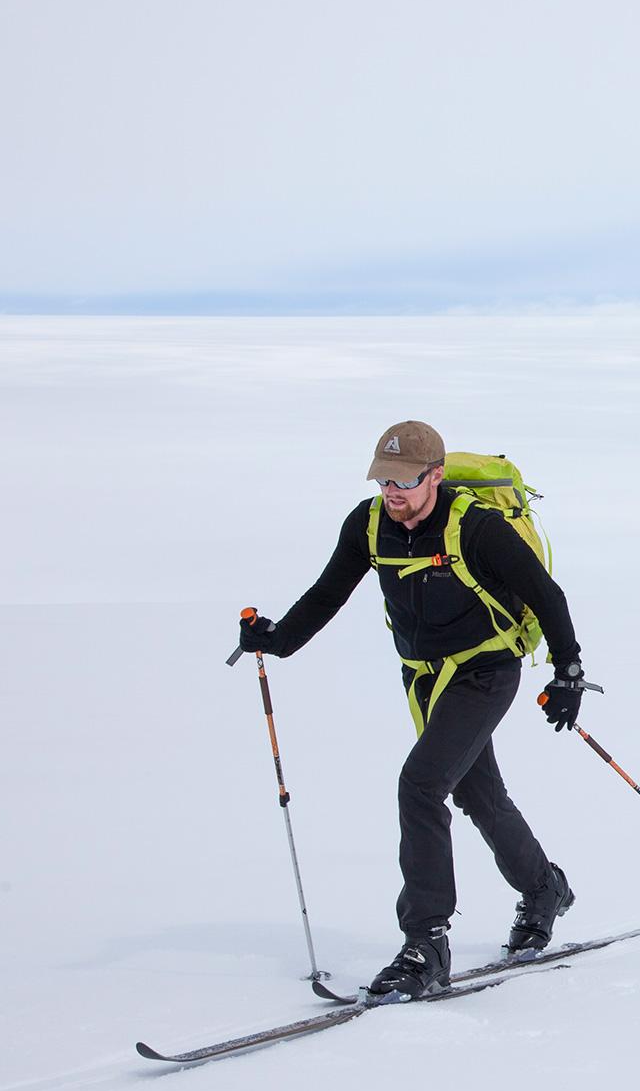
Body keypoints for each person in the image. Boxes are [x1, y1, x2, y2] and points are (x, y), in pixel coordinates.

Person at [237, 421, 589, 1000]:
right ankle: (544, 887)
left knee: (419, 785)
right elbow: (329, 593)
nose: (392, 493)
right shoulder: (369, 524)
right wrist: (277, 639)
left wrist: (568, 672)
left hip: (484, 672)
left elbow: (547, 596)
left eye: (404, 481)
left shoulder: (475, 527)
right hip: (427, 679)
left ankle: (425, 942)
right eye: (384, 481)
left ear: (436, 475)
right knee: (477, 795)